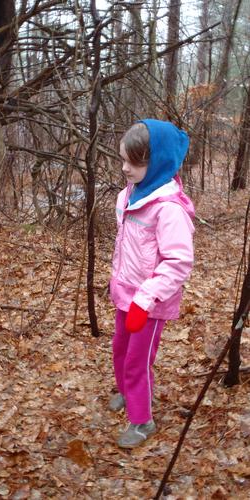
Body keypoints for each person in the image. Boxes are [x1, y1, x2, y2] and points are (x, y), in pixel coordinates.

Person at [109, 119, 195, 448]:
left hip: (150, 304)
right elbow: (126, 245)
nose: (125, 168)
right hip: (126, 295)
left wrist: (146, 300)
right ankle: (126, 392)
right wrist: (117, 282)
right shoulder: (131, 194)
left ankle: (142, 420)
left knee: (137, 361)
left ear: (156, 162)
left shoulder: (169, 210)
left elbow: (178, 262)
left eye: (133, 162)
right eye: (123, 160)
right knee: (119, 348)